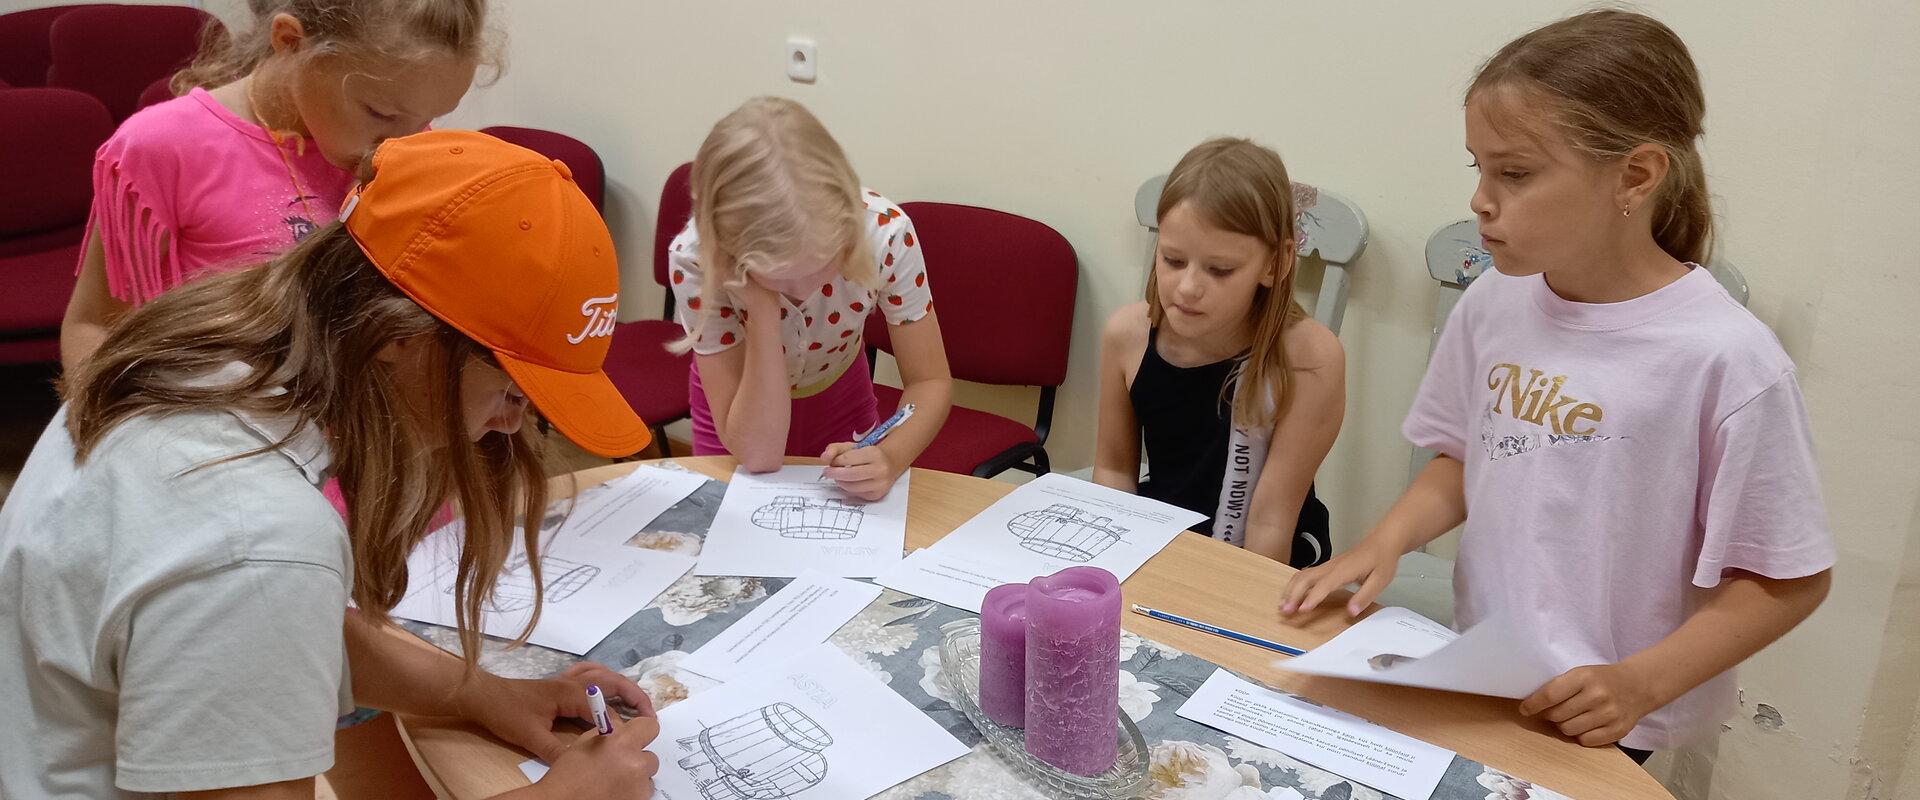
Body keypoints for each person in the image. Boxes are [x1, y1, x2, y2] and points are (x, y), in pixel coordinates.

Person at [0, 131, 660, 798]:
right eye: (512, 392)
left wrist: (483, 693)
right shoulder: (260, 539)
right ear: (400, 337)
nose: (511, 424)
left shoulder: (192, 361)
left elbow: (276, 629)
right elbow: (259, 583)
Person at [1282, 10, 1834, 762]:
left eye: (1514, 173)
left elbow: (1787, 579)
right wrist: (1385, 540)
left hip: (1606, 717)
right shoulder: (1494, 300)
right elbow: (1465, 457)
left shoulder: (1728, 361)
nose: (1481, 199)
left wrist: (1638, 683)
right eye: (1478, 168)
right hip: (1485, 672)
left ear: (1635, 176)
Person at [60, 0, 490, 372]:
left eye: (429, 117)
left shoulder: (404, 143)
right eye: (379, 113)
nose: (403, 142)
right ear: (290, 42)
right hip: (217, 416)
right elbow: (94, 326)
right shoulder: (162, 147)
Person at [668, 96, 952, 500]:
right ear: (730, 253)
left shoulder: (886, 234)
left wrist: (890, 457)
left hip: (840, 395)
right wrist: (762, 308)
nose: (803, 291)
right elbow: (758, 455)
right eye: (779, 277)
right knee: (733, 520)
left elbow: (930, 381)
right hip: (739, 400)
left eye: (821, 265)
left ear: (845, 225)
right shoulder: (697, 258)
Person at [1093, 138, 1344, 566]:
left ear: (1276, 263)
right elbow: (1114, 473)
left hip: (1268, 559)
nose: (1188, 287)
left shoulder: (1309, 359)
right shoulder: (1126, 336)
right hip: (1162, 540)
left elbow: (1270, 523)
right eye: (1173, 260)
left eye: (1220, 270)